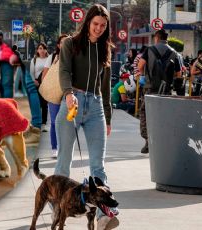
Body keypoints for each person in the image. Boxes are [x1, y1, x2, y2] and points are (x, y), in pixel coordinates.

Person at [54, 4, 119, 229]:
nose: (99, 29)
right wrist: (69, 93)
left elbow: (106, 85)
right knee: (63, 164)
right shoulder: (70, 44)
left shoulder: (106, 48)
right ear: (87, 22)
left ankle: (104, 216)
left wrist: (108, 117)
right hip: (72, 103)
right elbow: (64, 71)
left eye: (103, 25)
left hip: (96, 107)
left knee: (98, 166)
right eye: (95, 24)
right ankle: (58, 211)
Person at [136, 29, 182, 154]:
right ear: (166, 38)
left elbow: (140, 66)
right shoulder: (174, 53)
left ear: (156, 37)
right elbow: (179, 73)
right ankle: (162, 143)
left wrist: (144, 73)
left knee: (145, 113)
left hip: (150, 88)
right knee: (164, 116)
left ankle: (148, 142)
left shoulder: (149, 50)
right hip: (166, 90)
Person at [42, 34, 69, 158]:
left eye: (67, 42)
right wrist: (46, 90)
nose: (65, 44)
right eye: (62, 42)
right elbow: (45, 76)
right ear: (58, 45)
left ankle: (64, 147)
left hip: (68, 93)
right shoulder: (53, 57)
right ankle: (55, 147)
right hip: (54, 93)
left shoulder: (73, 57)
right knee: (54, 122)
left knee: (67, 122)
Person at [12, 45, 42, 144]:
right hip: (25, 57)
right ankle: (34, 126)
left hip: (31, 57)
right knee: (29, 88)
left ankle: (37, 129)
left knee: (31, 87)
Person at [30, 42, 49, 132]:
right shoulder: (34, 60)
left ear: (46, 50)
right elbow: (31, 72)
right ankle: (35, 123)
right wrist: (34, 81)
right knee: (37, 104)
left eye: (43, 48)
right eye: (40, 48)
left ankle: (44, 124)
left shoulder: (49, 59)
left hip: (46, 84)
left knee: (44, 104)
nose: (42, 50)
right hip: (36, 84)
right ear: (37, 50)